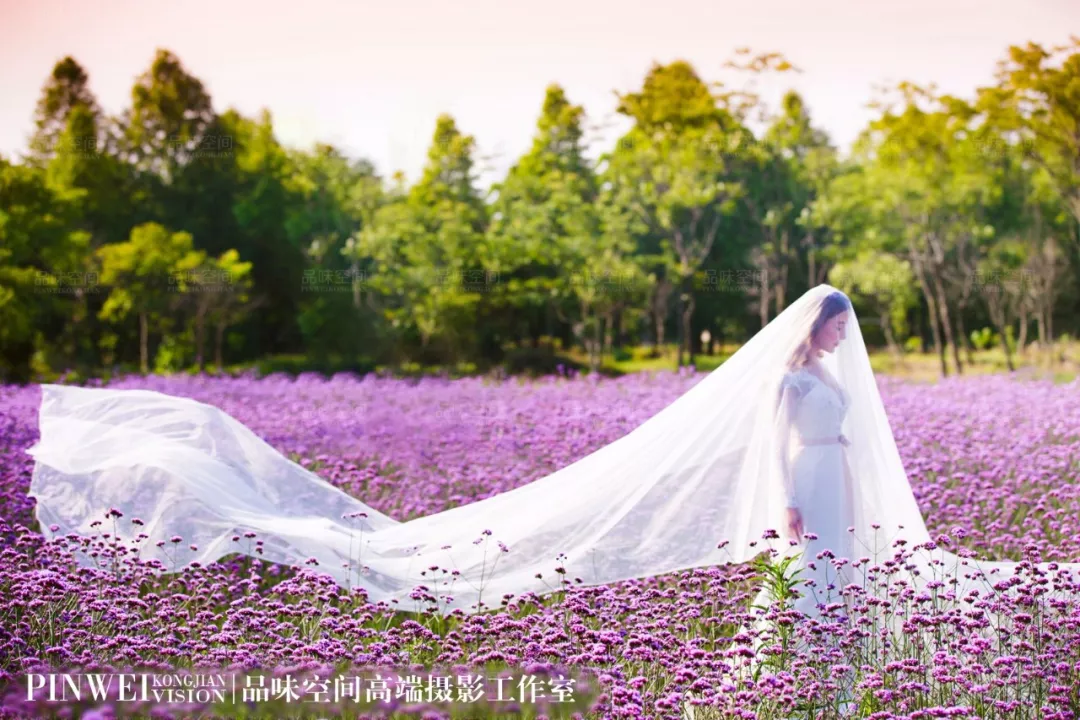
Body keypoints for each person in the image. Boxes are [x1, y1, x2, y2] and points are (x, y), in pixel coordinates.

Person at [25, 284, 1080, 623]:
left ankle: (837, 619)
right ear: (821, 327)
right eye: (844, 327)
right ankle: (810, 622)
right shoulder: (786, 377)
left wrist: (845, 478)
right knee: (815, 561)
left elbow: (842, 434)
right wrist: (791, 500)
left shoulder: (842, 380)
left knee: (856, 561)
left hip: (835, 469)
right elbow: (770, 441)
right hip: (807, 479)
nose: (851, 340)